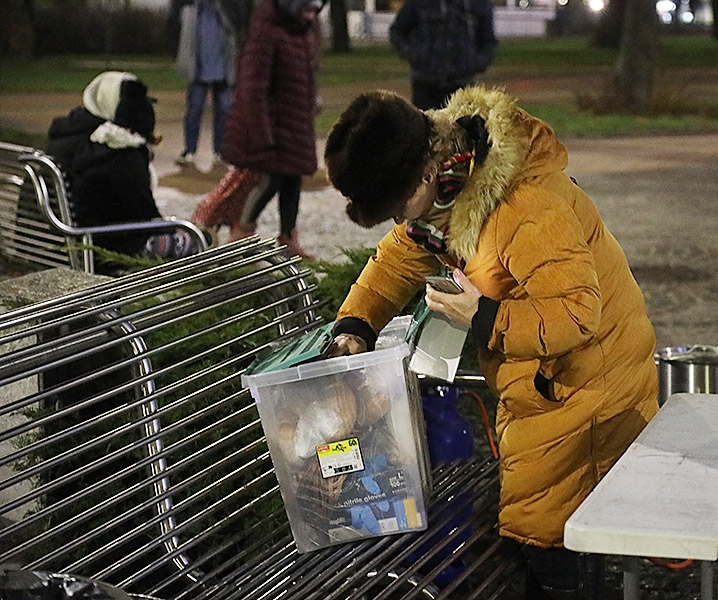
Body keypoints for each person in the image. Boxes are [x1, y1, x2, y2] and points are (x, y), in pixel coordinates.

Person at [322, 87, 659, 598]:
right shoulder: (445, 197)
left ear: (427, 173)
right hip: (545, 383)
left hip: (590, 383)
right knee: (537, 532)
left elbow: (576, 315)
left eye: (396, 205)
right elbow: (395, 261)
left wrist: (482, 316)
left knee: (542, 533)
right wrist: (356, 326)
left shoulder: (524, 205)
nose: (398, 220)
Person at [43, 71, 202, 262]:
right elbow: (143, 212)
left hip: (55, 244)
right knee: (196, 240)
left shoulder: (64, 137)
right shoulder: (117, 147)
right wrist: (175, 229)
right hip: (103, 248)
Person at [221, 0, 321, 258]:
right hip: (270, 128)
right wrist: (260, 134)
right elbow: (252, 88)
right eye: (307, 9)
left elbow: (306, 77)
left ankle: (288, 237)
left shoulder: (301, 32)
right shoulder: (266, 33)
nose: (312, 15)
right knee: (269, 181)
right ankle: (240, 234)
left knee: (292, 181)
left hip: (294, 126)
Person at [173, 0, 250, 167]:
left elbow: (239, 26)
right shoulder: (191, 10)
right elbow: (179, 34)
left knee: (224, 110)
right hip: (198, 70)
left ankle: (220, 151)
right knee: (194, 109)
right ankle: (190, 150)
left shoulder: (227, 9)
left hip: (224, 70)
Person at [388, 0, 497, 110]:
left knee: (461, 120)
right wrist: (411, 53)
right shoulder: (418, 3)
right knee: (424, 120)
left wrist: (477, 63)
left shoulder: (478, 4)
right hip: (425, 84)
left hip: (462, 85)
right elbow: (397, 32)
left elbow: (488, 41)